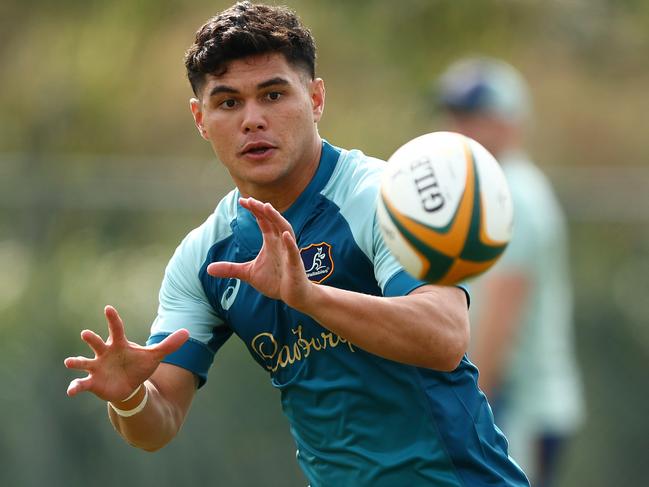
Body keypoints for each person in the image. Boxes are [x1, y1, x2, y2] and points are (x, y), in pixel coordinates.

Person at [64, 3, 530, 486]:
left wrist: (308, 296)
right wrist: (129, 397)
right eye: (228, 103)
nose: (252, 120)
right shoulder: (206, 258)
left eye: (273, 94)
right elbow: (157, 425)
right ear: (200, 119)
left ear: (316, 98)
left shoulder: (380, 198)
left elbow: (446, 338)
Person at [435, 57, 585, 487]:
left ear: (509, 122)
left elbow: (502, 311)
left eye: (472, 117)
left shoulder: (512, 193)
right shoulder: (485, 187)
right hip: (507, 400)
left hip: (517, 404)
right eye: (453, 115)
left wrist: (463, 409)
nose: (457, 128)